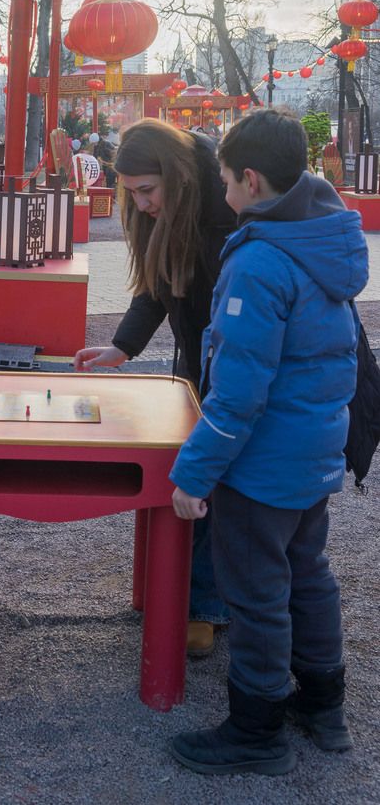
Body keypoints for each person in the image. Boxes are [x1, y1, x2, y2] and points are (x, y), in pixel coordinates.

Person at [169, 110, 367, 775]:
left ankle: (255, 732)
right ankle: (321, 706)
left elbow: (236, 394)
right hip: (312, 455)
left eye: (225, 181)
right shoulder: (320, 240)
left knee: (255, 595)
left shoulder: (258, 261)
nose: (222, 194)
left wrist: (193, 474)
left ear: (250, 181)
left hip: (259, 468)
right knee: (308, 577)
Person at [74, 118, 235, 654]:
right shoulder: (173, 206)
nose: (141, 205)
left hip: (236, 364)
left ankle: (207, 607)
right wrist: (123, 346)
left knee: (212, 482)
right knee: (196, 478)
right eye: (132, 193)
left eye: (147, 190)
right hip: (201, 359)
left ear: (178, 175)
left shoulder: (226, 209)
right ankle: (197, 598)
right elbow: (158, 281)